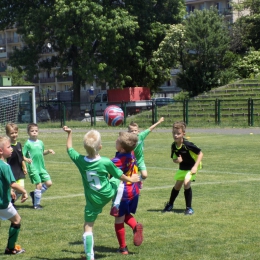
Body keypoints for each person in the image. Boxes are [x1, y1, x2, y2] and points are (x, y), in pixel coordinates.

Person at [62, 126, 140, 260]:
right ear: (100, 147)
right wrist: (130, 179)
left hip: (93, 199)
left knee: (88, 226)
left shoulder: (80, 161)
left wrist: (70, 133)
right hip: (108, 191)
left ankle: (89, 256)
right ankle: (116, 204)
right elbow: (119, 174)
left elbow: (69, 149)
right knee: (117, 180)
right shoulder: (105, 162)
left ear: (85, 147)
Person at [111, 131, 143, 255]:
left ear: (122, 148)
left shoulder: (119, 159)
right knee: (125, 214)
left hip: (122, 193)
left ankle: (123, 248)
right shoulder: (131, 154)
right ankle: (135, 226)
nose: (115, 141)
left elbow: (107, 166)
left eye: (117, 141)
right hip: (134, 190)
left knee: (119, 219)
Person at [163, 121, 203, 215]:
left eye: (178, 133)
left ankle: (189, 208)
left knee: (186, 182)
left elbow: (200, 153)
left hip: (192, 166)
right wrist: (178, 160)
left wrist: (195, 167)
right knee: (177, 186)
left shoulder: (188, 144)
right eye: (174, 133)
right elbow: (174, 159)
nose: (175, 135)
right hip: (183, 168)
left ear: (183, 134)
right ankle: (170, 204)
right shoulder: (173, 146)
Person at [0, 136, 28, 255]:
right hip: (3, 203)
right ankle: (10, 249)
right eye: (8, 147)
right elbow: (13, 184)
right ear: (1, 151)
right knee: (17, 220)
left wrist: (9, 191)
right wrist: (24, 191)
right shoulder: (5, 166)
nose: (11, 149)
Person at [23, 123, 55, 210]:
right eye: (32, 131)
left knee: (49, 183)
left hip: (41, 167)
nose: (34, 132)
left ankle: (34, 194)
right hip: (33, 167)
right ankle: (36, 205)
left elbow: (41, 152)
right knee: (39, 185)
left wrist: (48, 151)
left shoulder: (40, 142)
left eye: (36, 131)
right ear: (28, 132)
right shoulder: (27, 144)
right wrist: (26, 160)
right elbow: (22, 155)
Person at [128, 117, 164, 187]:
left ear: (138, 131)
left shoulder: (141, 136)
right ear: (128, 132)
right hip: (130, 161)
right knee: (130, 177)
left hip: (140, 160)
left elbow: (150, 128)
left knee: (144, 175)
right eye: (131, 131)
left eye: (135, 130)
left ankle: (139, 181)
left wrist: (159, 122)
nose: (134, 132)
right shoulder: (127, 139)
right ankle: (133, 188)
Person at [5, 123, 30, 208]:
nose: (14, 135)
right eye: (12, 133)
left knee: (21, 188)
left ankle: (11, 202)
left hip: (19, 170)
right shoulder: (7, 146)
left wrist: (24, 167)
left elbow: (21, 157)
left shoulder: (19, 144)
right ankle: (8, 203)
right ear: (8, 134)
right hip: (11, 170)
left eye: (15, 132)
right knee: (11, 189)